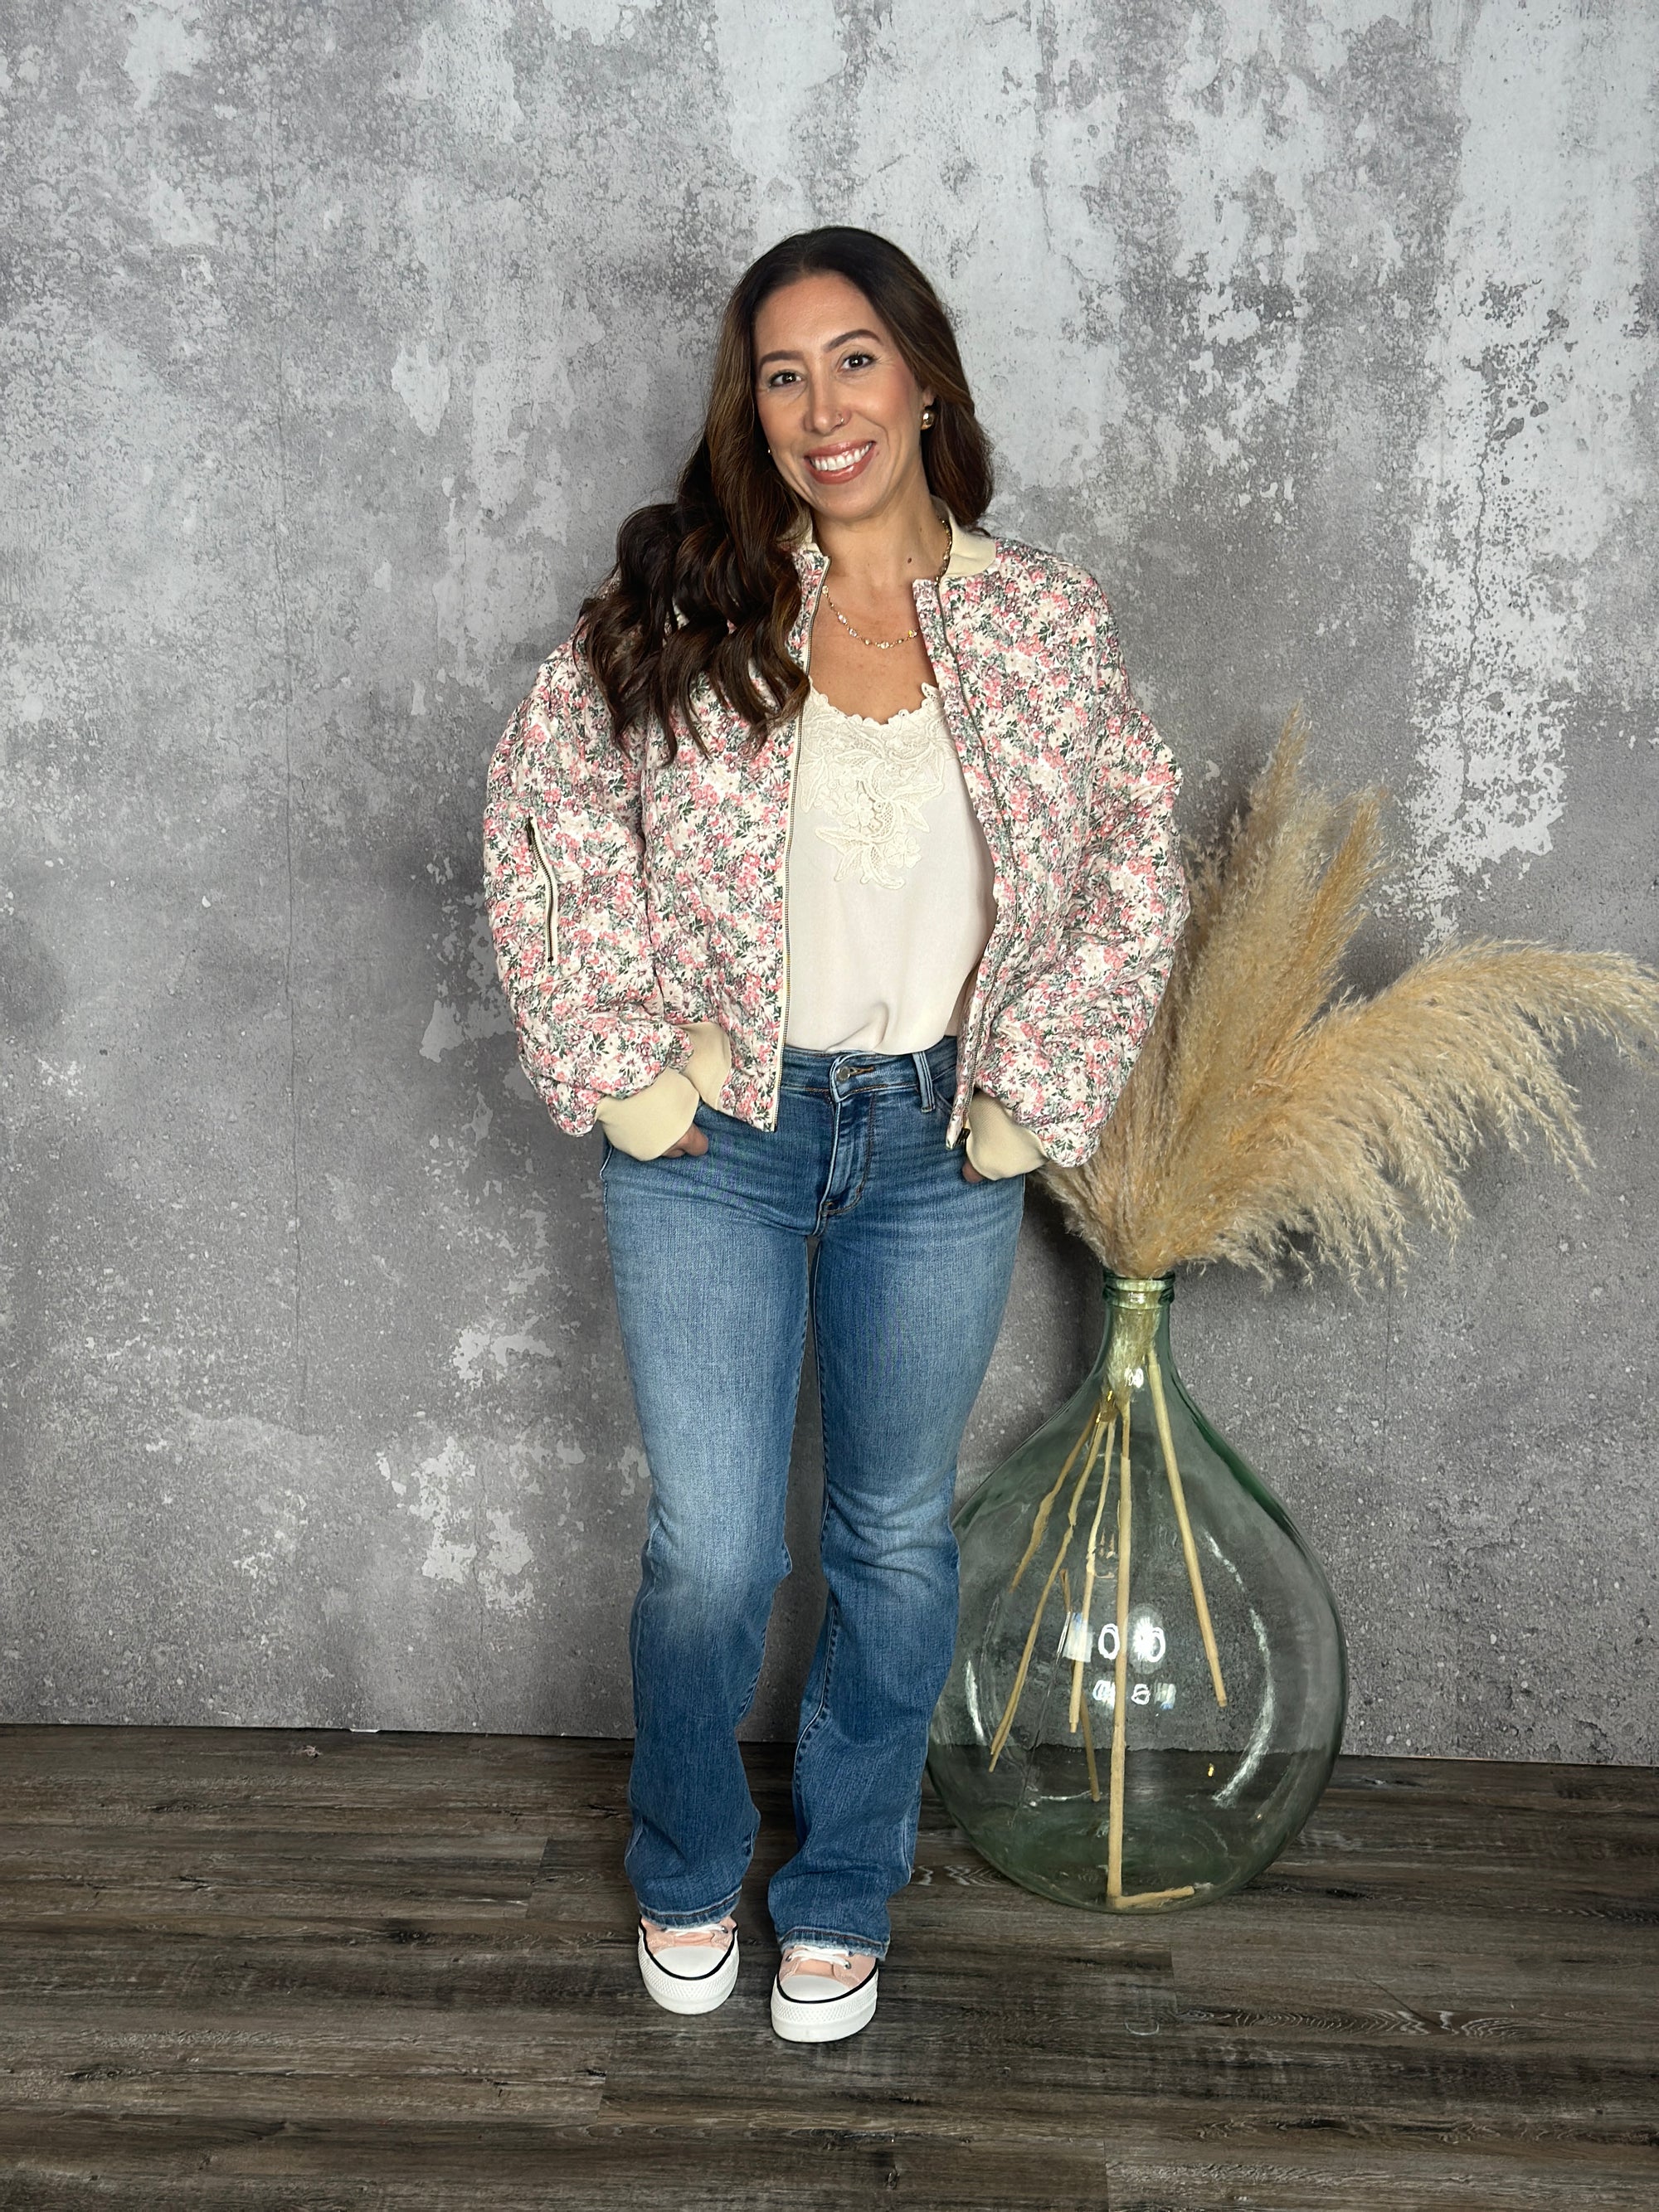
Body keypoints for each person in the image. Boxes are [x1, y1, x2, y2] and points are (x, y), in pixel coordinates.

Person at [483, 226, 1186, 2044]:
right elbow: (549, 809)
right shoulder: (691, 596)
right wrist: (628, 1072)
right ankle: (682, 1858)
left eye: (853, 359)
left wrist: (1035, 1088)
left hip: (938, 1141)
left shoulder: (1042, 621)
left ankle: (845, 1885)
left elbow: (1134, 855)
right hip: (716, 1137)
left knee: (891, 1540)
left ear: (923, 377)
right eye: (781, 375)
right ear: (754, 409)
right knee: (713, 1550)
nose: (822, 407)